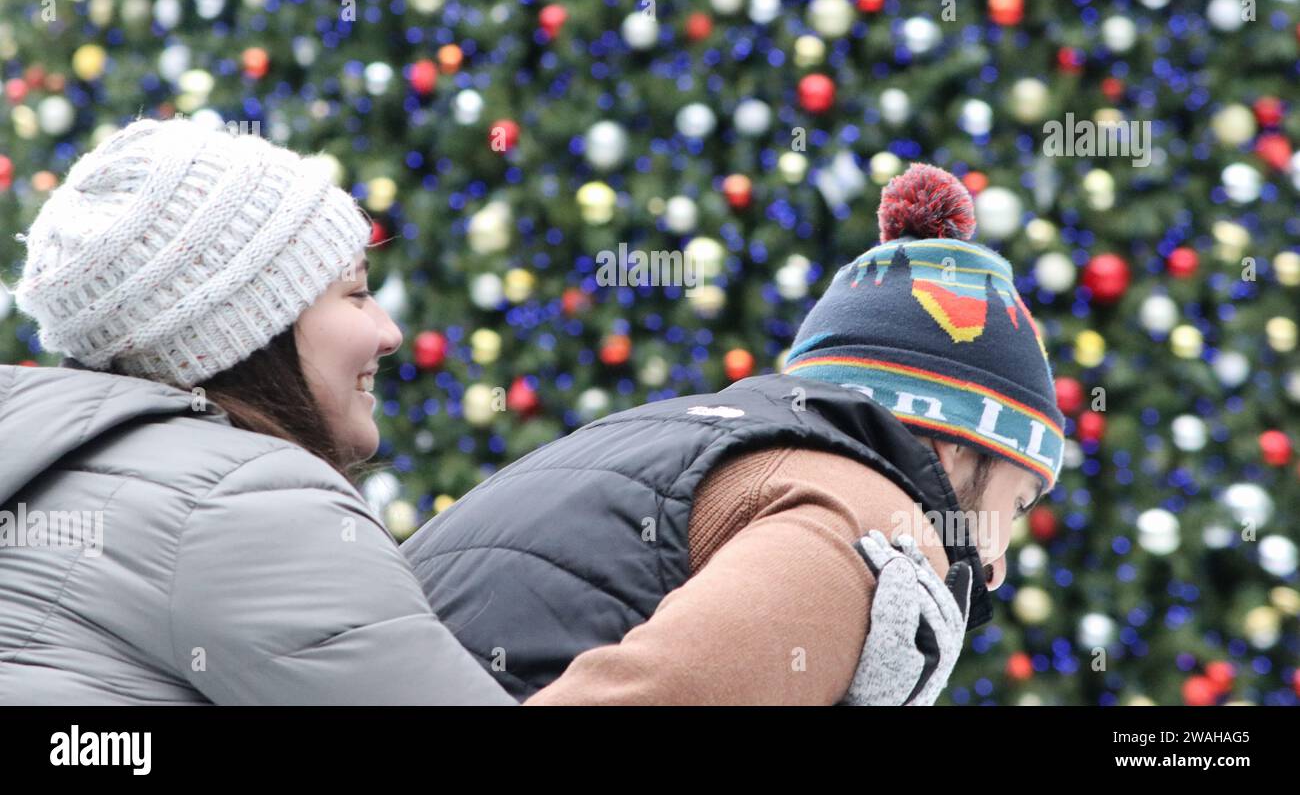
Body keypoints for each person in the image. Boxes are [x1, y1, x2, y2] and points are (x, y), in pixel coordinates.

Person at [403, 163, 1065, 705]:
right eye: (1017, 503)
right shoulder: (872, 526)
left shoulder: (670, 436)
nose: (999, 567)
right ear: (953, 445)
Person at [0, 116, 516, 704]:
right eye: (355, 293)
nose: (389, 331)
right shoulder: (248, 507)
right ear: (246, 334)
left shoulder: (53, 478)